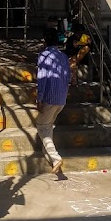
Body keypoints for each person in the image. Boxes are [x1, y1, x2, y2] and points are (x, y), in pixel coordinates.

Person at [36, 27, 71, 175]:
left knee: (42, 126)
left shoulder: (44, 55)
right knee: (48, 125)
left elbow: (42, 78)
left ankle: (55, 158)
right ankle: (49, 157)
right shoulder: (63, 56)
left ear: (45, 41)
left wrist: (39, 98)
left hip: (49, 97)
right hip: (61, 98)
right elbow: (68, 77)